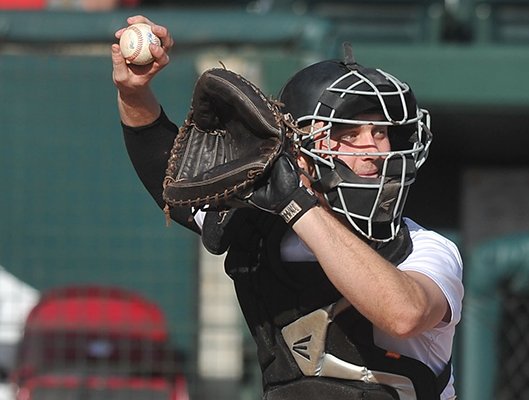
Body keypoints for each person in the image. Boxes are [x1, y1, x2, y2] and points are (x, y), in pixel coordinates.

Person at [112, 15, 463, 400]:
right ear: (300, 152)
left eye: (380, 132)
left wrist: (297, 204)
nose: (374, 149)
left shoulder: (423, 247)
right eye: (348, 134)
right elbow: (171, 180)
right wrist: (134, 93)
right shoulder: (261, 230)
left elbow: (404, 314)